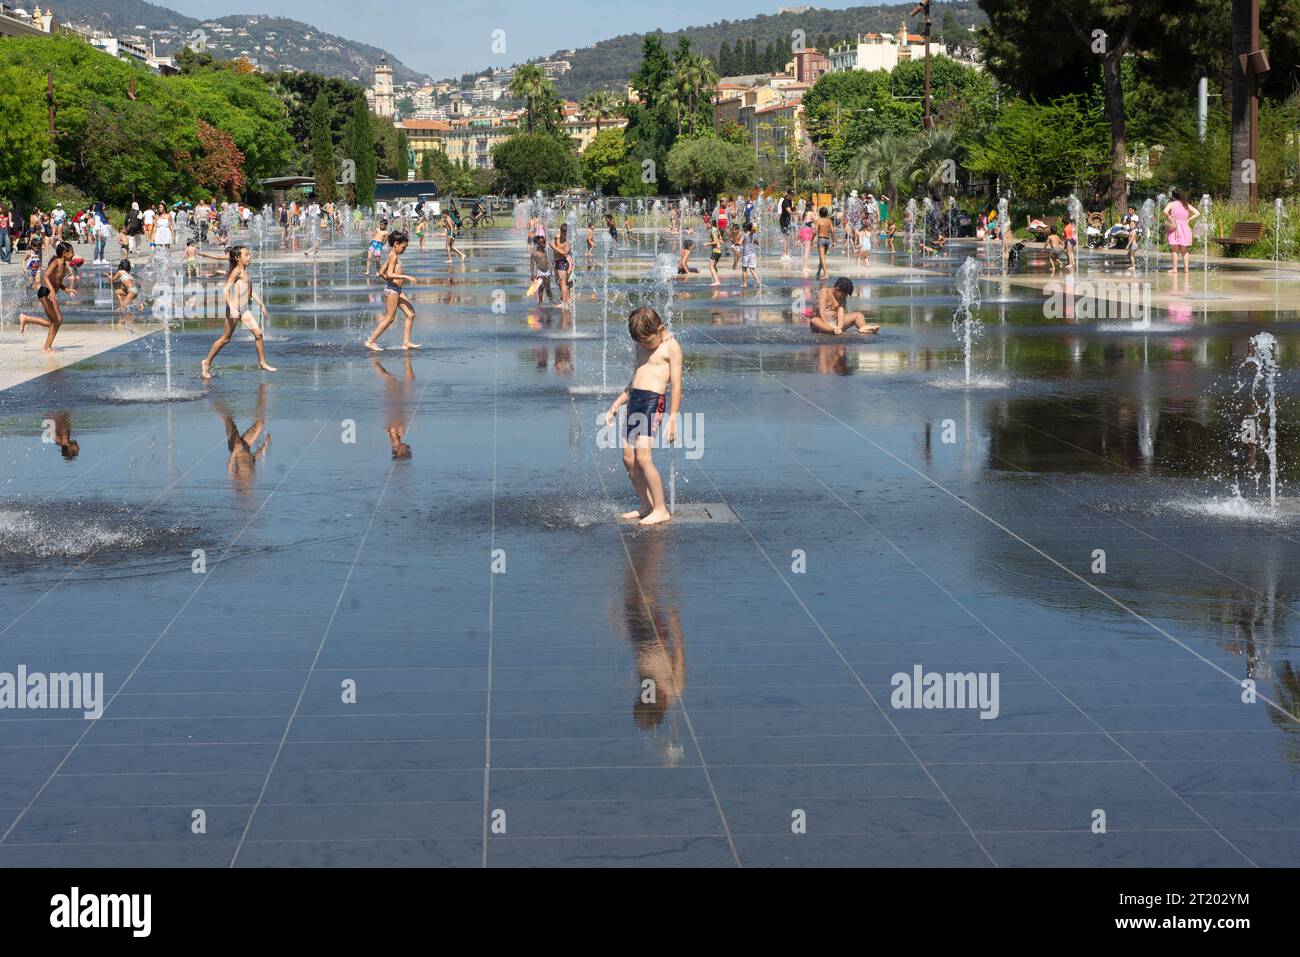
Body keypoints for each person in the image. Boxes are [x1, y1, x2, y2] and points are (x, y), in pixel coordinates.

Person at [604, 306, 683, 526]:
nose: (643, 346)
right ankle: (646, 505)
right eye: (639, 342)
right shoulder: (641, 346)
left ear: (661, 330)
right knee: (628, 458)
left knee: (643, 457)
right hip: (634, 400)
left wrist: (673, 417)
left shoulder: (671, 348)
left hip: (652, 402)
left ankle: (661, 508)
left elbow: (676, 386)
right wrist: (617, 403)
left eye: (647, 341)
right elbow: (635, 378)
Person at [201, 246, 277, 378]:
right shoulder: (236, 271)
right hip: (234, 309)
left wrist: (262, 305)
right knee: (225, 339)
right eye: (246, 255)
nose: (250, 257)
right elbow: (225, 289)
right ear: (237, 258)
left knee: (258, 334)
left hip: (244, 310)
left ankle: (262, 362)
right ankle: (206, 362)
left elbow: (251, 291)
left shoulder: (245, 272)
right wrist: (232, 308)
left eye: (249, 254)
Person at [365, 229, 420, 352]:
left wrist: (389, 279)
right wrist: (406, 276)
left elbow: (381, 273)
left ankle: (406, 343)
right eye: (403, 247)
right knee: (390, 318)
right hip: (393, 291)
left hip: (396, 290)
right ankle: (371, 341)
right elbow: (389, 274)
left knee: (411, 314)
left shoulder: (393, 255)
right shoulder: (393, 256)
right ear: (396, 244)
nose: (404, 250)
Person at [20, 241, 76, 353]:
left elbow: (56, 282)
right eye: (72, 253)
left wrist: (66, 289)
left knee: (57, 320)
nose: (73, 255)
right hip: (45, 292)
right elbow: (45, 277)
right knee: (56, 320)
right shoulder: (56, 262)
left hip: (50, 293)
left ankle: (28, 320)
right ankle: (47, 347)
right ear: (65, 253)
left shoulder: (64, 265)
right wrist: (52, 291)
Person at [806, 277, 879, 335]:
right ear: (837, 289)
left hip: (835, 323)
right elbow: (821, 312)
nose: (844, 297)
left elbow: (841, 314)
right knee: (813, 320)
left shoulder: (842, 298)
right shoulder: (824, 292)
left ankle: (862, 327)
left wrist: (839, 327)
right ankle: (832, 330)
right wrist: (828, 325)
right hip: (821, 322)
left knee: (858, 315)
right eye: (844, 294)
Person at [1163, 189, 1199, 275]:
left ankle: (1174, 269)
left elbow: (1164, 212)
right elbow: (1197, 213)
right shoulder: (1186, 204)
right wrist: (1189, 219)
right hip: (1185, 228)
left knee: (1174, 250)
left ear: (1173, 196)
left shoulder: (1171, 204)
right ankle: (1186, 269)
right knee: (1184, 250)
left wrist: (1171, 218)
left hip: (1174, 228)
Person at [550, 223, 572, 306]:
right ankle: (566, 297)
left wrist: (554, 247)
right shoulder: (557, 237)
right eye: (562, 232)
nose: (563, 235)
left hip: (563, 262)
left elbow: (565, 253)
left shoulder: (567, 243)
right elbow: (551, 244)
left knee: (563, 283)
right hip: (556, 262)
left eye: (565, 233)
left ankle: (564, 303)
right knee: (557, 282)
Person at [529, 235, 553, 306]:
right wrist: (532, 274)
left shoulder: (545, 252)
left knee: (548, 288)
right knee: (541, 288)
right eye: (542, 243)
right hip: (540, 272)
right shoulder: (534, 253)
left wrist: (550, 269)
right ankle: (540, 302)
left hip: (547, 272)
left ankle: (551, 301)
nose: (543, 245)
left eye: (544, 243)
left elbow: (547, 262)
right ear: (537, 244)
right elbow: (532, 264)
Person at [814, 206, 835, 280]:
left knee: (822, 258)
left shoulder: (819, 221)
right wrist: (833, 241)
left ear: (819, 213)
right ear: (826, 213)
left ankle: (826, 274)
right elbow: (833, 231)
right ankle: (819, 272)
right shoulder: (829, 221)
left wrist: (811, 240)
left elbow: (815, 231)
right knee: (822, 257)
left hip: (821, 239)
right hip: (827, 240)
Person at [740, 222, 760, 288]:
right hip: (753, 254)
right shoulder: (753, 234)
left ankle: (744, 284)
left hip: (746, 254)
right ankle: (757, 280)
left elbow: (740, 242)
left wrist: (735, 242)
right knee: (752, 269)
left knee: (744, 269)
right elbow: (757, 242)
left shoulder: (744, 235)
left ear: (745, 228)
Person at [707, 218, 723, 286]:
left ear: (711, 224)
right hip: (719, 251)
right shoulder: (717, 230)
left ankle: (716, 281)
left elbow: (715, 242)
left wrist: (707, 244)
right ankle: (716, 279)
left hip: (715, 251)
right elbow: (721, 241)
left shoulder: (712, 231)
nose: (707, 224)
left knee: (711, 267)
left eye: (708, 223)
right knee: (714, 266)